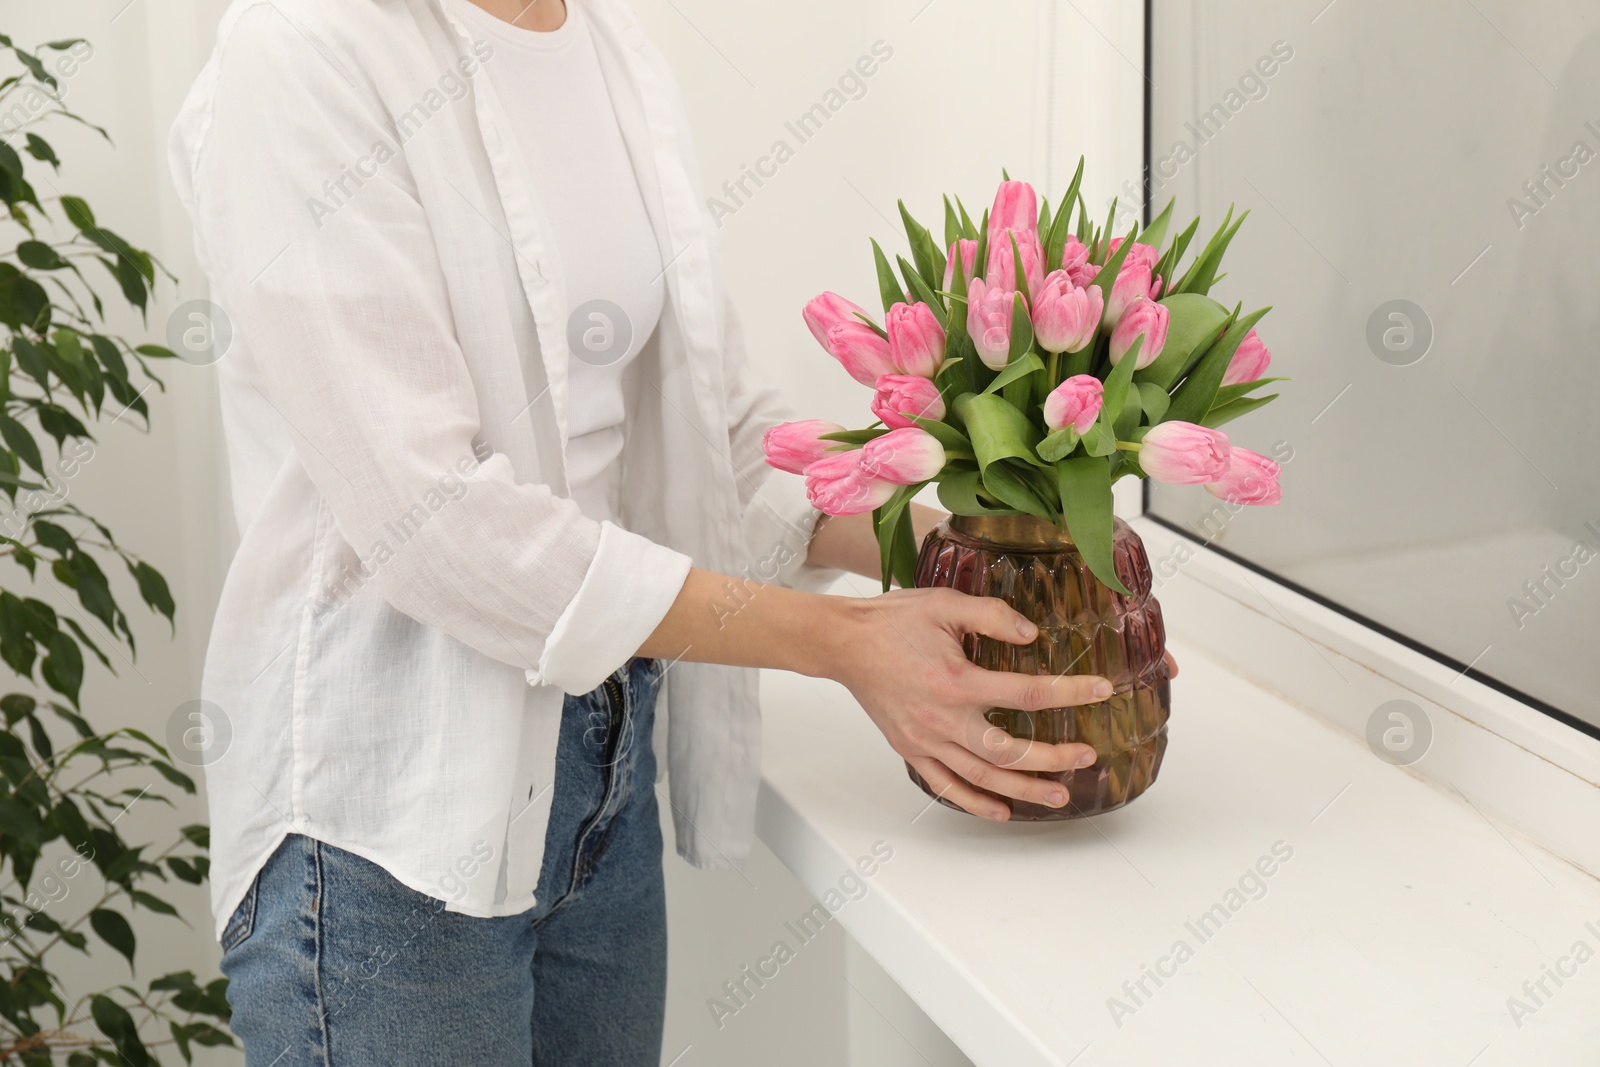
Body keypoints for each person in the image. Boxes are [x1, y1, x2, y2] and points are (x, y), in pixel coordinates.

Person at [168, 0, 1153, 1062]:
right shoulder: (306, 49)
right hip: (391, 829)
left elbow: (716, 437)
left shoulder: (606, 45)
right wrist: (842, 643)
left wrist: (994, 557)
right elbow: (437, 522)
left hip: (602, 764)